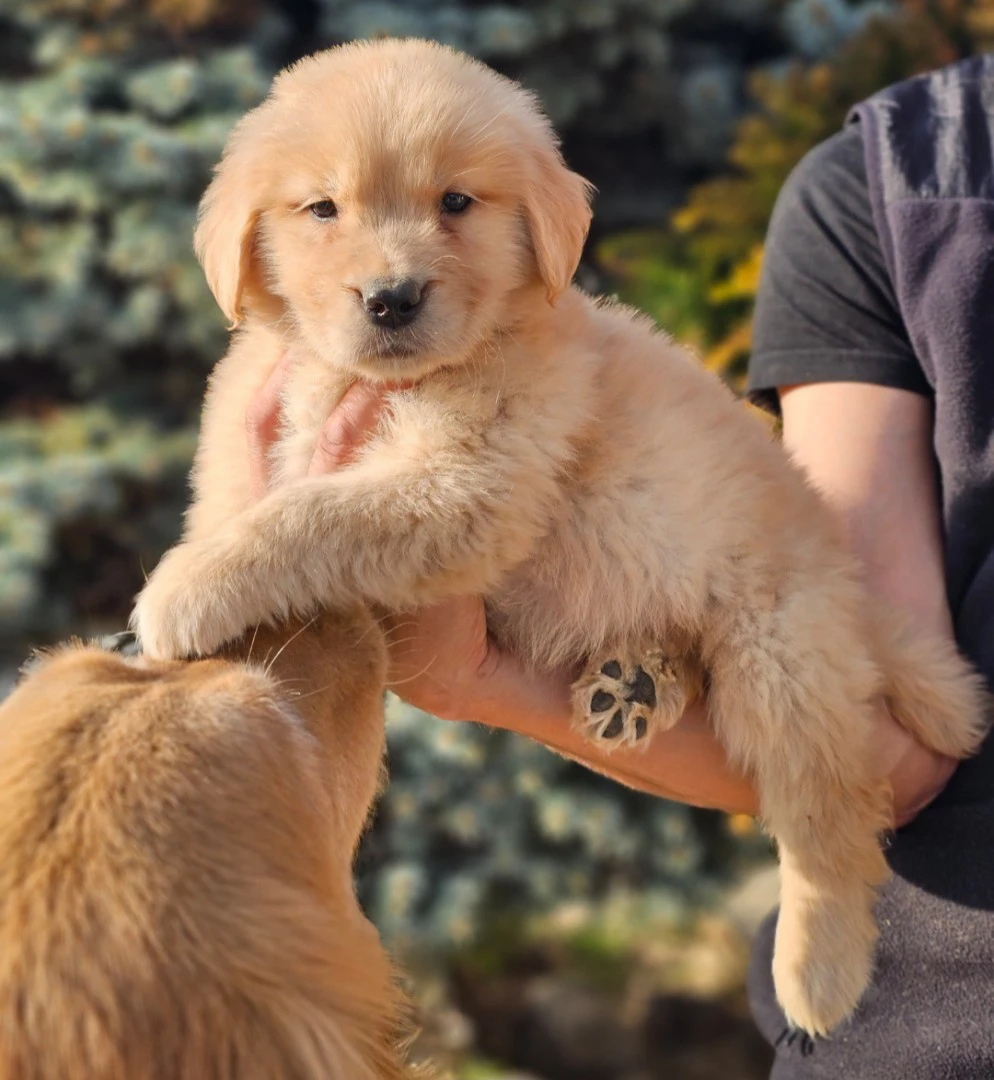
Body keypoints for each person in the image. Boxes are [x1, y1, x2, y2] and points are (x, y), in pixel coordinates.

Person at [246, 54, 994, 1079]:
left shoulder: (912, 177)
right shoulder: (887, 184)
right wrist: (467, 673)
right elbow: (889, 744)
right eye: (321, 210)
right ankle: (665, 666)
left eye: (455, 204)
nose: (390, 263)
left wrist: (262, 565)